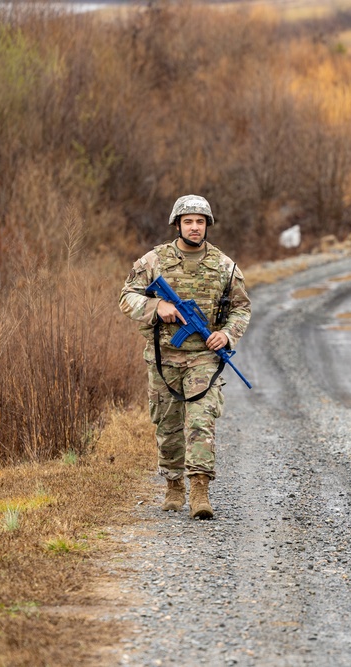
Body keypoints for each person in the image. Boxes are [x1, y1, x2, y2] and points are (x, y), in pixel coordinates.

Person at [119, 195, 251, 520]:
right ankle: (174, 483)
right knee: (167, 427)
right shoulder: (153, 261)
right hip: (164, 360)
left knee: (201, 422)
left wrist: (228, 334)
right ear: (178, 224)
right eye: (188, 221)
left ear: (208, 225)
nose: (195, 227)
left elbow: (241, 308)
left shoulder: (225, 266)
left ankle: (200, 490)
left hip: (204, 358)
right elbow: (126, 296)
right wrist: (157, 307)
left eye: (200, 221)